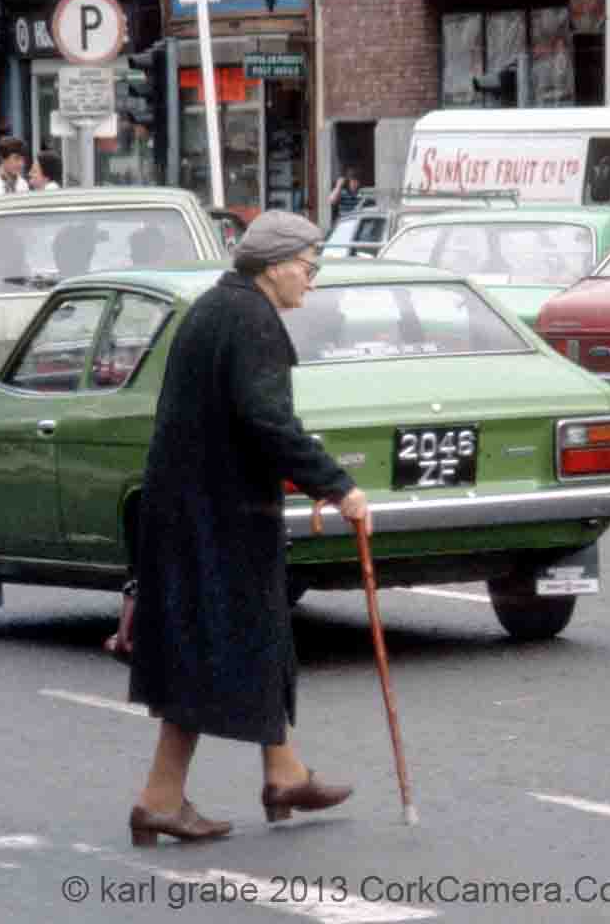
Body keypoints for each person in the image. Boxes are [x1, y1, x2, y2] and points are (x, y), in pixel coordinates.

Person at [128, 210, 371, 845]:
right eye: (310, 269)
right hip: (215, 516)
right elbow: (268, 421)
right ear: (278, 266)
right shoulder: (252, 321)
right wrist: (337, 485)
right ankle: (159, 798)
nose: (311, 284)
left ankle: (283, 772)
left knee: (245, 641)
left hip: (195, 507)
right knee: (214, 649)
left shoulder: (217, 306)